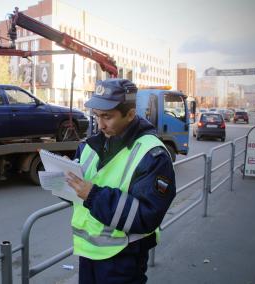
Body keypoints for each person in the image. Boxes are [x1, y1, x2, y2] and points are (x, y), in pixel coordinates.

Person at [66, 78, 176, 284]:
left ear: (131, 115)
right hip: (87, 253)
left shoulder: (153, 154)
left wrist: (92, 194)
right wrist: (66, 177)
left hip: (124, 258)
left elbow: (147, 216)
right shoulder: (88, 145)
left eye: (107, 117)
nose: (100, 125)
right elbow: (77, 197)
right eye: (96, 116)